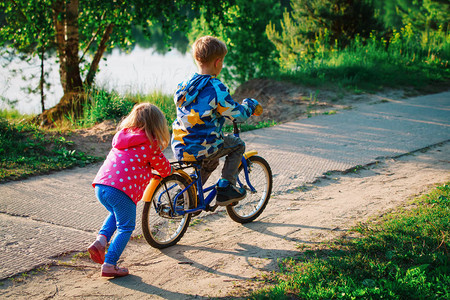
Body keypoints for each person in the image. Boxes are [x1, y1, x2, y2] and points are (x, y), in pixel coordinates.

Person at [171, 35, 260, 206]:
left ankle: (191, 195)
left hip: (181, 145)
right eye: (223, 61)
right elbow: (237, 114)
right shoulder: (215, 87)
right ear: (218, 62)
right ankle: (226, 187)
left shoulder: (185, 85)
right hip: (204, 145)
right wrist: (249, 106)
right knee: (237, 145)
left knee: (211, 162)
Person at [88, 103, 173, 277]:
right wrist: (170, 172)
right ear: (157, 125)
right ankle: (109, 264)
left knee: (116, 214)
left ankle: (100, 241)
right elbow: (164, 169)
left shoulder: (122, 137)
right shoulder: (151, 144)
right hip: (121, 190)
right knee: (126, 227)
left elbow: (131, 162)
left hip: (102, 186)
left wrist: (148, 172)